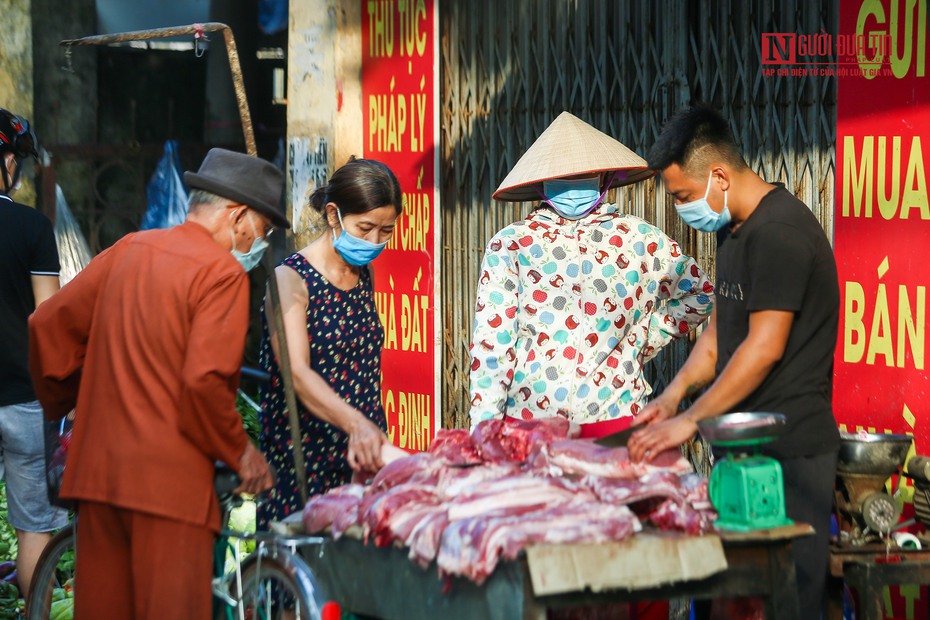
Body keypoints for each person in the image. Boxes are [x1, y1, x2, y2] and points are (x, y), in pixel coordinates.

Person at [29, 148, 282, 619]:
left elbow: (47, 326)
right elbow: (203, 384)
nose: (256, 245)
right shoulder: (220, 272)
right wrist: (241, 453)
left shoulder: (130, 248)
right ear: (239, 216)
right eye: (261, 233)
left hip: (99, 480)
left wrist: (72, 401)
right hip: (169, 489)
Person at [628, 104, 840, 619]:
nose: (682, 208)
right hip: (741, 451)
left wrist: (690, 422)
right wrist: (671, 397)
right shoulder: (733, 231)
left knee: (784, 604)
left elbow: (763, 348)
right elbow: (721, 335)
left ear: (718, 175)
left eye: (682, 196)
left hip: (792, 456)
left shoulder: (780, 233)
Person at [469, 111, 714, 435]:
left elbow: (700, 292)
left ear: (603, 177)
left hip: (619, 423)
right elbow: (492, 345)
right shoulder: (512, 245)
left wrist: (642, 338)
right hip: (531, 432)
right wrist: (484, 431)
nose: (573, 187)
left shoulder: (640, 239)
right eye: (563, 177)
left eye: (581, 176)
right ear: (541, 183)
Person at [257, 157, 401, 530]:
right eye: (365, 227)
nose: (373, 241)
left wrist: (365, 432)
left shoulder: (361, 274)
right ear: (334, 215)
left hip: (361, 459)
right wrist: (355, 424)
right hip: (304, 461)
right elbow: (297, 373)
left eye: (385, 231)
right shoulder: (290, 279)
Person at [0, 107, 69, 601]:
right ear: (6, 162)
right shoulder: (32, 228)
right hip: (25, 399)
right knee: (33, 529)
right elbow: (49, 320)